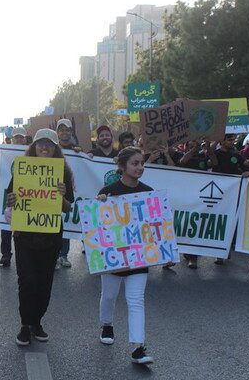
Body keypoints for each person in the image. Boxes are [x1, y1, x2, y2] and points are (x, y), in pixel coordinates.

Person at [5, 128, 74, 346]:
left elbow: (67, 209)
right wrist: (12, 200)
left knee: (44, 281)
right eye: (40, 143)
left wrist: (62, 195)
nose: (44, 147)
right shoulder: (22, 170)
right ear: (33, 146)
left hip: (51, 235)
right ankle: (25, 325)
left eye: (50, 144)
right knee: (27, 280)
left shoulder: (63, 173)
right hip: (25, 234)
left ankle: (37, 322)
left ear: (56, 149)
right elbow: (9, 200)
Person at [95, 146, 154, 364]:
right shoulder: (109, 192)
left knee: (136, 300)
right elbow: (98, 224)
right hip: (114, 256)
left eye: (142, 163)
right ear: (122, 166)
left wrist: (162, 252)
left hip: (138, 257)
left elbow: (153, 226)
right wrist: (99, 204)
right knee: (109, 295)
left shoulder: (148, 192)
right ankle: (107, 325)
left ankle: (138, 347)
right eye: (135, 163)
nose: (140, 167)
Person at [212, 134, 249, 264]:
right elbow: (210, 157)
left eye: (233, 140)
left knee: (230, 221)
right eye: (229, 140)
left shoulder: (235, 154)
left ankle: (224, 250)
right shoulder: (216, 153)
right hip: (218, 193)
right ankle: (219, 251)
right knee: (218, 221)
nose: (232, 142)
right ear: (222, 141)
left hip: (233, 194)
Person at [179, 139, 218, 269]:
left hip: (200, 198)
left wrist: (209, 148)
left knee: (195, 225)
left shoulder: (202, 159)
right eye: (190, 146)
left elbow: (214, 162)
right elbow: (183, 161)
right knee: (184, 225)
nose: (194, 148)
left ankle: (193, 257)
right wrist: (194, 148)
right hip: (185, 196)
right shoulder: (184, 157)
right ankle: (186, 250)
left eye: (195, 146)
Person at [0, 127, 27, 267]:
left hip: (25, 195)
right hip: (9, 193)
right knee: (5, 225)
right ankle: (6, 254)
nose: (19, 139)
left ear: (25, 138)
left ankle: (23, 256)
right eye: (17, 137)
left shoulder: (31, 152)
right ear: (13, 138)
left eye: (22, 137)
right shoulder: (4, 152)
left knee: (21, 228)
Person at [56, 118, 79, 268]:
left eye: (67, 130)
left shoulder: (77, 150)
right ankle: (54, 256)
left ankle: (63, 255)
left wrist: (84, 154)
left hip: (68, 190)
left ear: (71, 132)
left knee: (66, 220)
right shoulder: (52, 148)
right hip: (52, 190)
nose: (64, 132)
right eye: (61, 129)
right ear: (57, 132)